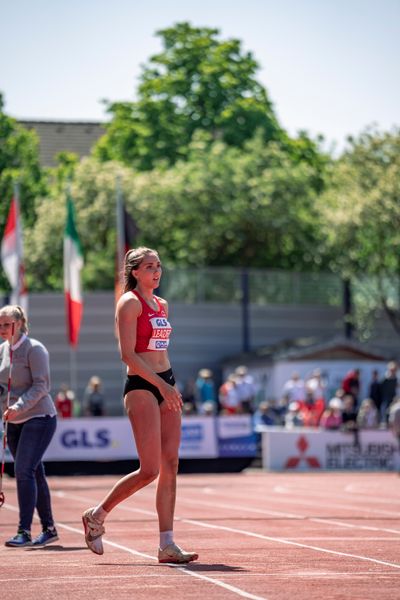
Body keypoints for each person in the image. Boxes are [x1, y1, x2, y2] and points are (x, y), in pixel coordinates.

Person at [81, 247, 198, 564]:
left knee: (171, 465)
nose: (156, 272)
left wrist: (171, 385)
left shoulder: (162, 304)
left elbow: (161, 351)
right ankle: (97, 515)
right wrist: (160, 384)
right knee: (150, 469)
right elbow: (128, 355)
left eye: (159, 265)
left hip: (166, 383)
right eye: (149, 267)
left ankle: (167, 544)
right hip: (142, 386)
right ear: (135, 271)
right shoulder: (129, 302)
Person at [0, 305, 58, 547]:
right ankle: (50, 528)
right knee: (34, 471)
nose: (2, 329)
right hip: (13, 422)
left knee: (23, 470)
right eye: (0, 324)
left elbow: (42, 385)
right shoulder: (2, 350)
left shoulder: (35, 349)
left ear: (20, 323)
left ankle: (24, 531)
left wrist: (19, 407)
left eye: (6, 324)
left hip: (39, 417)